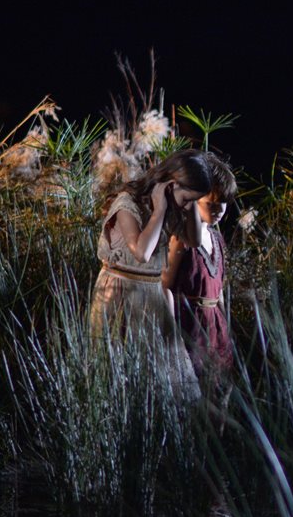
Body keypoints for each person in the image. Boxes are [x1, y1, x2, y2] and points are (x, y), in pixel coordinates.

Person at [90, 148, 211, 400]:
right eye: (188, 198)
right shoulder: (127, 203)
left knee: (161, 378)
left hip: (151, 297)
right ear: (169, 185)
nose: (189, 206)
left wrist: (188, 207)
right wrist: (159, 209)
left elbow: (194, 240)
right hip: (121, 295)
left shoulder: (176, 209)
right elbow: (142, 252)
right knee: (117, 373)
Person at [163, 153, 238, 392]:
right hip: (191, 327)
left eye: (223, 204)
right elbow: (165, 284)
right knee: (196, 395)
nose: (218, 210)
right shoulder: (182, 237)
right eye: (211, 203)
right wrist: (172, 335)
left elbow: (221, 289)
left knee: (220, 393)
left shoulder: (217, 238)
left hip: (216, 329)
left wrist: (225, 325)